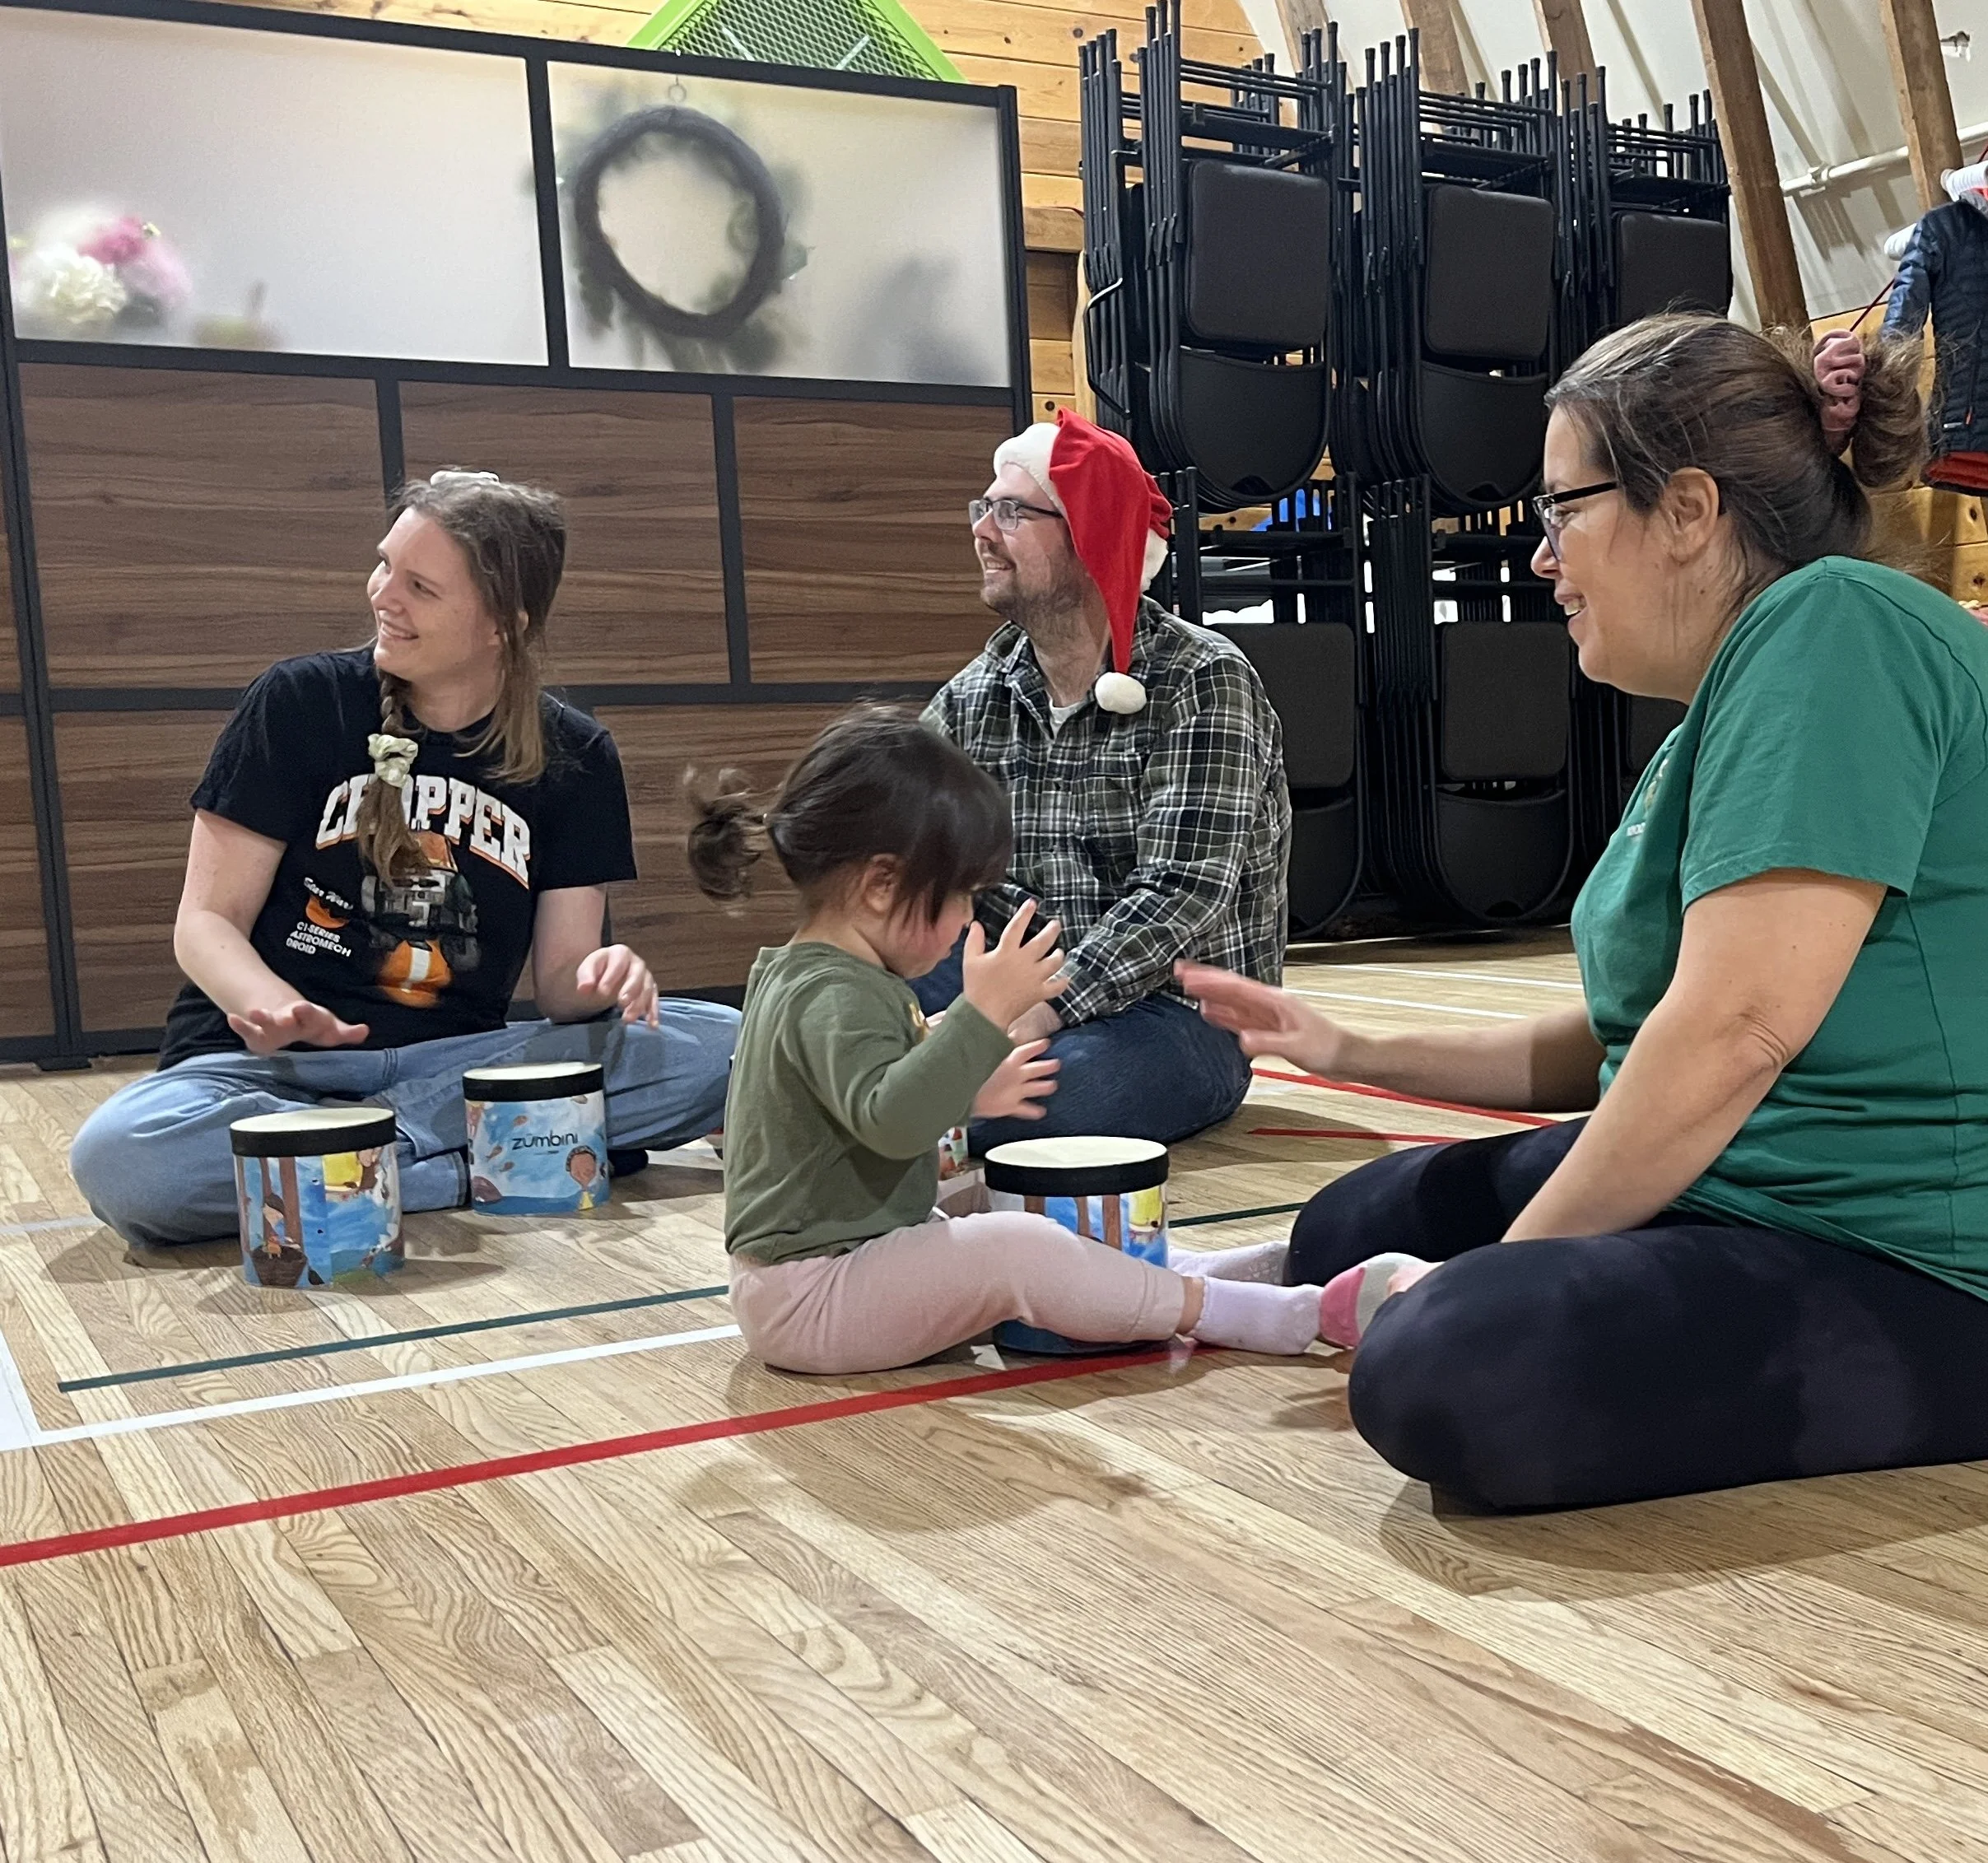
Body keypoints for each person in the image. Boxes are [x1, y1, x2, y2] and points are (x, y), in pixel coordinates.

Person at [1180, 311, 1988, 1514]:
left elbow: (1730, 1033)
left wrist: (1510, 1271)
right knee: (1347, 1225)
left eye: (1562, 508)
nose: (1541, 556)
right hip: (1743, 1184)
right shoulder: (1721, 704)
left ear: (1687, 510)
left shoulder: (1834, 629)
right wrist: (1341, 1044)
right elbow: (1635, 1029)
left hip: (1908, 1251)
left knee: (1443, 1367)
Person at [70, 468, 738, 1246]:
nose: (382, 594)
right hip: (277, 1076)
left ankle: (348, 1173)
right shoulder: (297, 701)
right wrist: (268, 1001)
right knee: (124, 1159)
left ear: (503, 624)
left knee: (728, 1046)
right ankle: (486, 1164)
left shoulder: (577, 754)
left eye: (420, 585)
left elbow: (562, 989)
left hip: (457, 1069)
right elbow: (206, 921)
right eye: (385, 563)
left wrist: (606, 974)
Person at [689, 706, 1331, 1375]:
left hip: (834, 1262)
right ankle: (1213, 1307)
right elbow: (891, 1119)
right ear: (880, 885)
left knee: (1011, 1192)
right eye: (959, 895)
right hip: (811, 1298)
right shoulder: (834, 991)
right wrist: (984, 1010)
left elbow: (864, 1103)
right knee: (1015, 1243)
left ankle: (1179, 1273)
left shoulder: (822, 974)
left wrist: (970, 1084)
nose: (969, 916)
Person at [916, 409, 1290, 1153]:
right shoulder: (969, 698)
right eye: (982, 508)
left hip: (1182, 1014)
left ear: (1089, 536)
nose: (982, 531)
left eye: (1011, 512)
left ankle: (880, 1121)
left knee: (1013, 1108)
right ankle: (880, 1111)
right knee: (842, 1021)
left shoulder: (1203, 677)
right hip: (1014, 986)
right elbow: (917, 858)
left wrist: (1025, 1014)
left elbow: (1180, 890)